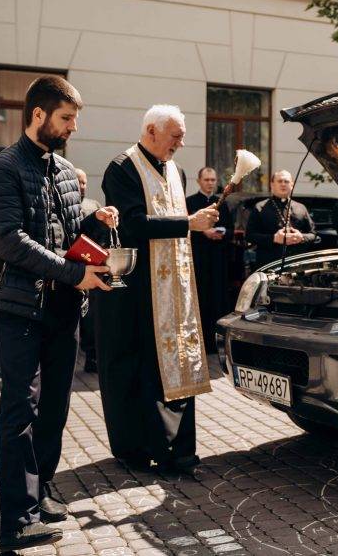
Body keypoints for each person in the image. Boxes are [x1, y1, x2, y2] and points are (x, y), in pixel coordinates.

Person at [0, 75, 119, 551]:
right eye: (67, 118)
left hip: (62, 307)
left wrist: (97, 219)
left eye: (75, 119)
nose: (73, 127)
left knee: (55, 405)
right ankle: (16, 519)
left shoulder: (62, 168)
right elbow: (10, 241)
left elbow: (68, 232)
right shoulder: (2, 170)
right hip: (18, 306)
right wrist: (75, 275)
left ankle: (41, 493)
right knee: (21, 409)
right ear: (38, 115)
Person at [95, 104, 219, 475]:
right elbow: (131, 224)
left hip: (175, 290)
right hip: (138, 292)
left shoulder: (177, 171)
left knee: (177, 365)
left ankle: (177, 449)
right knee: (138, 369)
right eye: (175, 136)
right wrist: (188, 223)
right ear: (151, 131)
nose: (180, 143)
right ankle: (138, 448)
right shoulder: (122, 168)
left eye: (182, 136)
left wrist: (193, 223)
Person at [186, 167, 232, 353]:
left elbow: (230, 229)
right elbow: (184, 228)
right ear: (199, 181)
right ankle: (200, 343)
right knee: (200, 299)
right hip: (198, 259)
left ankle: (217, 343)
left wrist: (221, 233)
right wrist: (203, 230)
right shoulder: (190, 202)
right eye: (206, 180)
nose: (210, 183)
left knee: (218, 299)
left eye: (213, 180)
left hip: (218, 260)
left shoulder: (222, 202)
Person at [246, 170, 317, 269]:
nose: (283, 184)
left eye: (286, 181)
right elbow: (249, 236)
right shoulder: (260, 207)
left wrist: (301, 237)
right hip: (269, 264)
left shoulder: (301, 208)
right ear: (272, 185)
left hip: (296, 265)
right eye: (279, 181)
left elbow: (314, 235)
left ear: (292, 185)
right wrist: (273, 238)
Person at [75, 168, 103, 374]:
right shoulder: (65, 205)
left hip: (93, 266)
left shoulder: (94, 205)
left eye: (84, 182)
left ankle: (92, 357)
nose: (82, 186)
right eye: (78, 182)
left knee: (92, 316)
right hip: (71, 267)